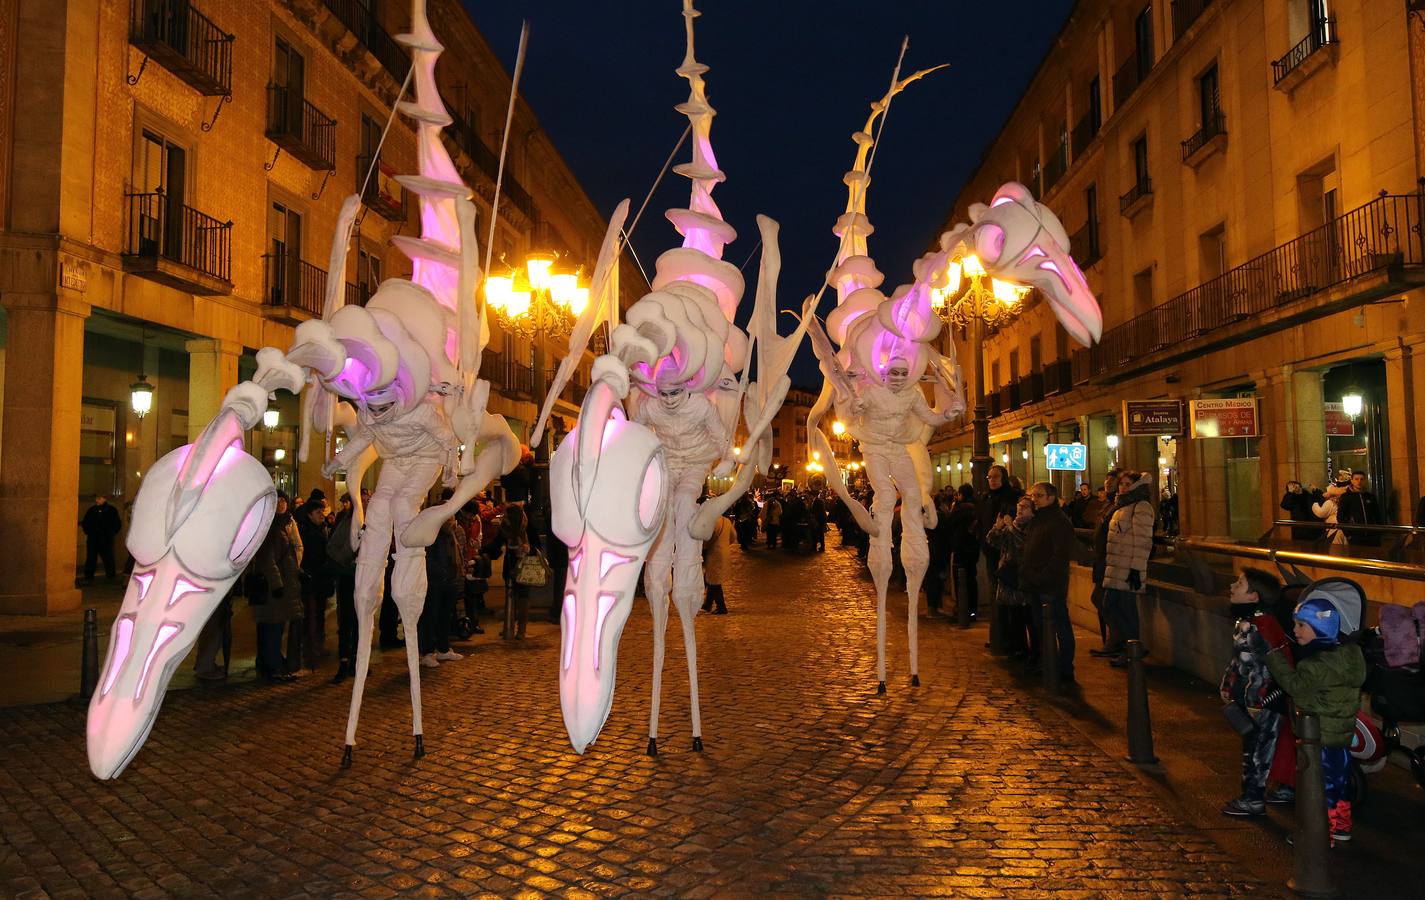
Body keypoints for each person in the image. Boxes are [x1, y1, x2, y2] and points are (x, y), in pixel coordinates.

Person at [1265, 596, 1367, 844]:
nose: (1295, 630)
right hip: (1341, 735)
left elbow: (1295, 687)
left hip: (1318, 735)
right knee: (1338, 782)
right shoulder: (1350, 655)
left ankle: (1320, 834)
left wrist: (1275, 660)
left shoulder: (1314, 665)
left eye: (1301, 625)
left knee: (1319, 786)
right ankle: (1341, 826)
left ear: (1321, 628)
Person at [1219, 568, 1290, 817]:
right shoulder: (1251, 623)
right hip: (1255, 700)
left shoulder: (1259, 626)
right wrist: (1228, 686)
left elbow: (1263, 669)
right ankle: (1256, 795)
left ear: (1254, 596)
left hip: (1262, 702)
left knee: (1258, 751)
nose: (1232, 586)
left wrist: (1252, 702)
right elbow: (1240, 662)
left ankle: (1253, 799)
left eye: (1239, 583)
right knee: (1255, 748)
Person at [1019, 482, 1077, 685]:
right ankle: (1049, 663)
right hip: (1035, 582)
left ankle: (1065, 667)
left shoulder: (1059, 522)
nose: (1034, 499)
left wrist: (1042, 576)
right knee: (1041, 627)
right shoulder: (1037, 520)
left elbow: (1059, 556)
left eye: (1039, 495)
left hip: (1051, 585)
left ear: (1051, 497)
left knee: (1060, 625)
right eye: (1033, 495)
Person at [1101, 470, 1154, 668]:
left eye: (1127, 484)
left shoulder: (1141, 507)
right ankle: (1129, 646)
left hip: (1129, 568)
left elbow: (1142, 541)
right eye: (1121, 483)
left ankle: (1132, 649)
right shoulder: (1122, 505)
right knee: (1109, 605)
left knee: (1126, 610)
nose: (1123, 487)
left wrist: (1136, 569)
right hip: (1116, 567)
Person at [986, 496, 1036, 661]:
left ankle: (1033, 654)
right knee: (1014, 618)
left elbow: (1023, 545)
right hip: (1009, 581)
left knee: (1029, 619)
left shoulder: (1033, 527)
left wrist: (1009, 527)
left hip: (1024, 580)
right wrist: (997, 526)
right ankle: (1018, 650)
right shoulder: (1012, 526)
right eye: (1019, 505)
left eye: (1025, 506)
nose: (1020, 509)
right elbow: (992, 541)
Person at [418, 496, 465, 668]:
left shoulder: (453, 531)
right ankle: (427, 652)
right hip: (435, 581)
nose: (452, 516)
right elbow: (427, 556)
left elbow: (458, 552)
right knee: (431, 616)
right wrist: (441, 572)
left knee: (445, 616)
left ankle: (443, 648)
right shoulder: (432, 531)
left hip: (450, 581)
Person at [271, 492, 306, 675]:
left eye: (283, 500)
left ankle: (281, 660)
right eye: (277, 501)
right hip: (275, 578)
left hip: (289, 575)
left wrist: (294, 565)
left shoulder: (290, 522)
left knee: (286, 620)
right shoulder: (269, 523)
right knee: (274, 622)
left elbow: (298, 546)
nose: (281, 504)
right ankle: (273, 661)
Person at [295, 499, 332, 669]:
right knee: (311, 615)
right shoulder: (306, 532)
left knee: (319, 614)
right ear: (310, 515)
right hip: (311, 581)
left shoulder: (321, 529)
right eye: (318, 512)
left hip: (320, 580)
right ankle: (310, 648)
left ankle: (317, 645)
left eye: (322, 511)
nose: (322, 515)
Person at [326, 495, 359, 683]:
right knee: (346, 621)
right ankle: (344, 661)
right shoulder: (345, 522)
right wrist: (347, 559)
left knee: (361, 621)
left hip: (363, 578)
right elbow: (332, 547)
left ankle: (357, 660)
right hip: (348, 577)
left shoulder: (372, 523)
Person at [497, 502, 531, 639]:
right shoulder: (505, 528)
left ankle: (520, 630)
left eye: (506, 515)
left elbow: (536, 547)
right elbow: (495, 545)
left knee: (522, 598)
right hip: (513, 566)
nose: (504, 517)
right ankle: (510, 626)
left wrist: (525, 549)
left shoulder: (526, 527)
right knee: (512, 596)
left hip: (524, 567)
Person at [946, 484, 980, 620]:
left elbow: (950, 523)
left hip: (961, 548)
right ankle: (972, 610)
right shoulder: (977, 506)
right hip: (973, 548)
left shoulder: (960, 508)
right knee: (971, 579)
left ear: (961, 494)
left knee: (960, 580)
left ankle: (962, 610)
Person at [79, 494, 123, 583]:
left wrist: (110, 533)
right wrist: (89, 531)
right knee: (92, 558)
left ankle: (110, 576)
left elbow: (116, 524)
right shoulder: (92, 510)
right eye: (96, 498)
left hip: (105, 538)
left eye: (99, 498)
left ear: (104, 499)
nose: (97, 500)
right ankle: (89, 576)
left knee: (107, 557)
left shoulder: (111, 510)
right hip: (94, 537)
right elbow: (86, 522)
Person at [1337, 471, 1383, 546]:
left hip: (1372, 536)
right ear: (1352, 481)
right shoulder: (1346, 497)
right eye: (1356, 479)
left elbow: (1377, 515)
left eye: (1361, 479)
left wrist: (1379, 533)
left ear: (1365, 481)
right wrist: (1348, 534)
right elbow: (1340, 517)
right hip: (1356, 536)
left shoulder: (1370, 496)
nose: (1359, 481)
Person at [700, 512, 734, 614]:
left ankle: (721, 607)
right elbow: (733, 536)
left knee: (714, 580)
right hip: (724, 553)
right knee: (711, 578)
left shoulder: (712, 522)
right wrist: (724, 544)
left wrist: (703, 547)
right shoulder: (727, 521)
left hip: (714, 554)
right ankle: (707, 604)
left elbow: (708, 539)